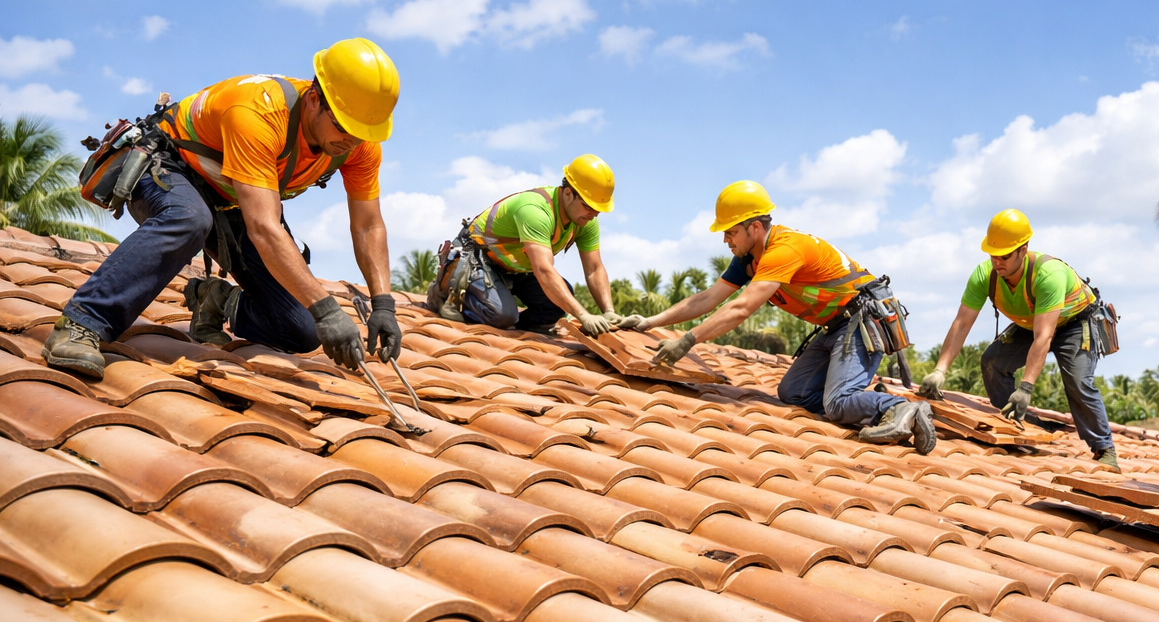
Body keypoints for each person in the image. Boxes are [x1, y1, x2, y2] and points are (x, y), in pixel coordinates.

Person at [43, 37, 403, 377]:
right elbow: (264, 227)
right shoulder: (258, 112)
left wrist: (383, 304)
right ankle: (82, 323)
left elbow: (368, 225)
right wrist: (328, 309)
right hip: (169, 166)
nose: (351, 141)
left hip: (232, 198)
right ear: (313, 99)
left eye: (362, 132)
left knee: (304, 329)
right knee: (189, 217)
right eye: (343, 127)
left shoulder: (359, 144)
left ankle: (216, 301)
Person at [618, 180, 935, 453]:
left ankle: (898, 408)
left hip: (862, 323)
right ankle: (867, 404)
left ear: (755, 227)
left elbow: (741, 308)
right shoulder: (749, 258)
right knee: (792, 393)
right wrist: (649, 322)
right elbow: (707, 298)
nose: (726, 240)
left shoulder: (784, 249)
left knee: (837, 403)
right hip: (836, 327)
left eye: (731, 232)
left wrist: (688, 341)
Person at [919, 209, 1119, 470]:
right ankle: (1016, 421)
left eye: (1004, 256)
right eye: (993, 255)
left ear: (1023, 250)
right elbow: (962, 323)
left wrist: (1026, 388)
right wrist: (940, 370)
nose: (997, 262)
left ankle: (1104, 448)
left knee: (1078, 382)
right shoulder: (984, 275)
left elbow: (1044, 336)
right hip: (1033, 321)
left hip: (1074, 323)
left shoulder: (1048, 274)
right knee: (992, 361)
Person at [426, 154, 619, 336]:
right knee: (502, 316)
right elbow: (544, 270)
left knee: (558, 304)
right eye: (588, 206)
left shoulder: (584, 220)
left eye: (598, 209)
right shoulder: (535, 210)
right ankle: (448, 295)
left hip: (516, 268)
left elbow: (594, 269)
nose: (593, 214)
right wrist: (583, 315)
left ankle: (512, 325)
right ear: (568, 193)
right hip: (480, 259)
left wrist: (609, 312)